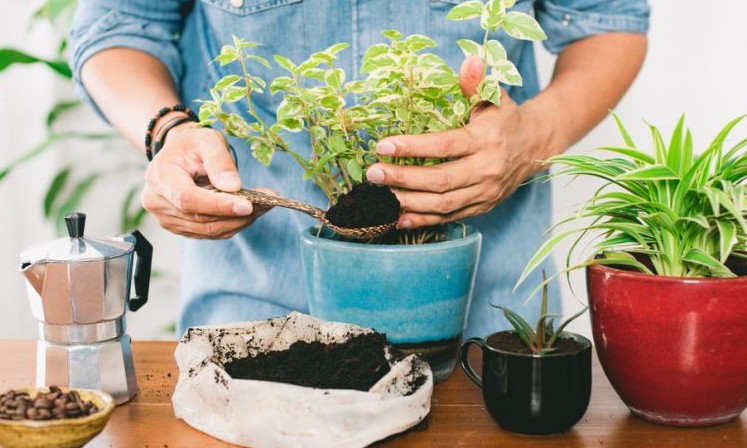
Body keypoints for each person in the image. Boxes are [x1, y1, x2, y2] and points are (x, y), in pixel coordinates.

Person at [69, 0, 649, 338]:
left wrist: (534, 137)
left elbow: (607, 18)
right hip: (258, 313)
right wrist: (170, 130)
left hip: (483, 318)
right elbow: (118, 26)